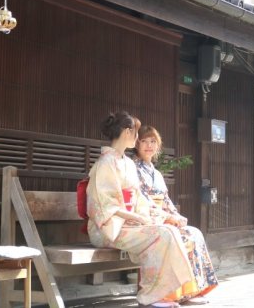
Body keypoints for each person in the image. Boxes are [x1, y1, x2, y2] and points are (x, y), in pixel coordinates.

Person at [86, 112, 194, 308]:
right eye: (136, 133)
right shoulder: (104, 163)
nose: (137, 138)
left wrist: (162, 216)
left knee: (168, 230)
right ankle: (151, 296)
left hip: (127, 223)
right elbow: (104, 205)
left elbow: (139, 199)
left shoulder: (126, 163)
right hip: (107, 228)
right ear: (128, 132)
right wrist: (137, 217)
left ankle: (166, 293)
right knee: (162, 234)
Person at [134, 125, 218, 305]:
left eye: (153, 141)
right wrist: (166, 218)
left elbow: (165, 200)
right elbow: (140, 200)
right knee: (171, 237)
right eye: (144, 141)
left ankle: (191, 290)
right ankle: (163, 294)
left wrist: (176, 216)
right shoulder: (133, 169)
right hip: (146, 218)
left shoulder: (156, 173)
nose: (149, 145)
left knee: (193, 233)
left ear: (158, 145)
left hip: (162, 216)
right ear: (136, 144)